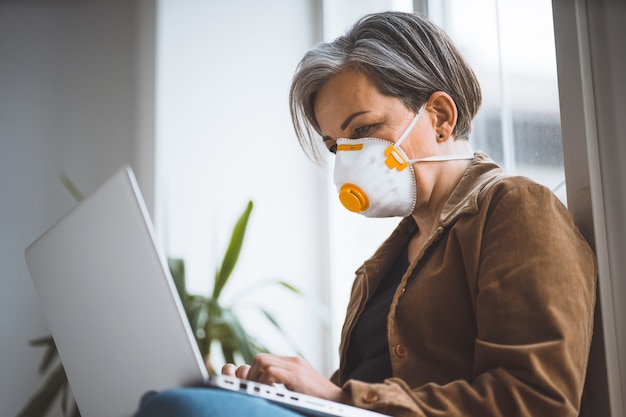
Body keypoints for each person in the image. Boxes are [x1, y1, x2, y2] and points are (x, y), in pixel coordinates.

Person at [134, 11, 596, 417]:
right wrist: (288, 393)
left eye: (364, 129)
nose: (349, 159)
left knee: (177, 409)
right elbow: (356, 393)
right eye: (337, 145)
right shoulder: (383, 265)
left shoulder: (514, 208)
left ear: (439, 116)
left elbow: (536, 402)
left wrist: (339, 399)